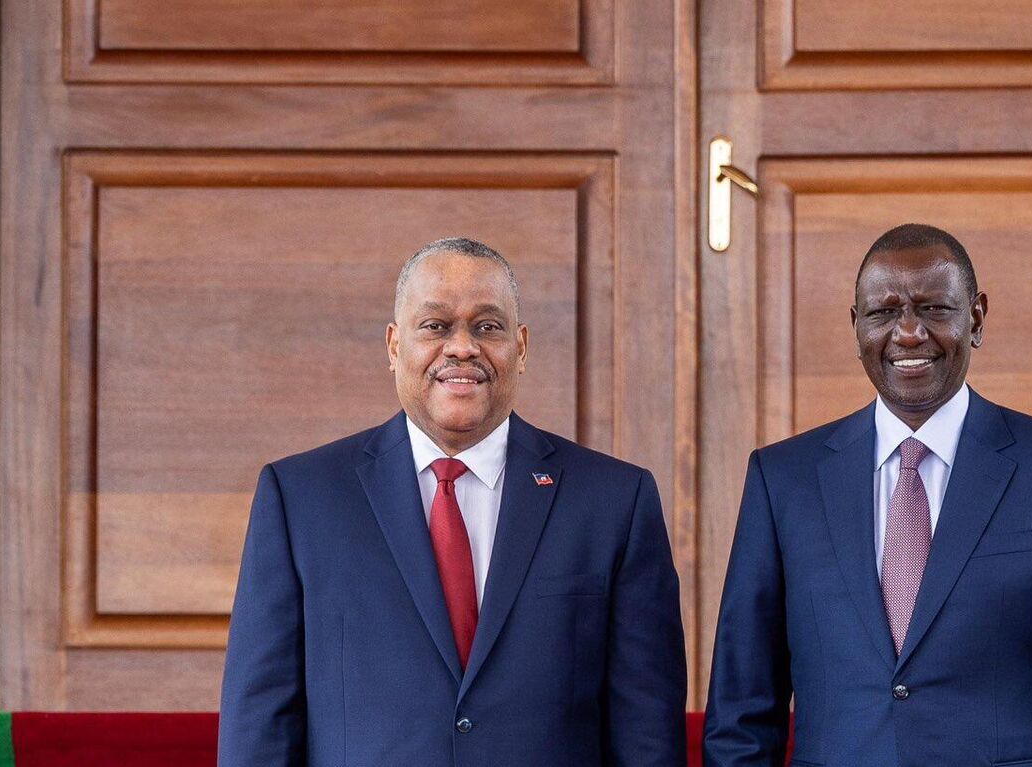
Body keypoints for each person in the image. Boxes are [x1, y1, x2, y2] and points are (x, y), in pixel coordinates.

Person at [220, 237, 687, 766]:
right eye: (436, 325)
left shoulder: (614, 502)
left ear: (522, 347)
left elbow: (647, 729)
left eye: (488, 327)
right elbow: (259, 723)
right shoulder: (300, 498)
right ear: (395, 346)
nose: (462, 347)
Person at [703, 224, 1032, 766]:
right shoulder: (783, 481)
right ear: (856, 327)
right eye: (883, 313)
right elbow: (741, 706)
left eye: (935, 309)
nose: (909, 332)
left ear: (977, 319)